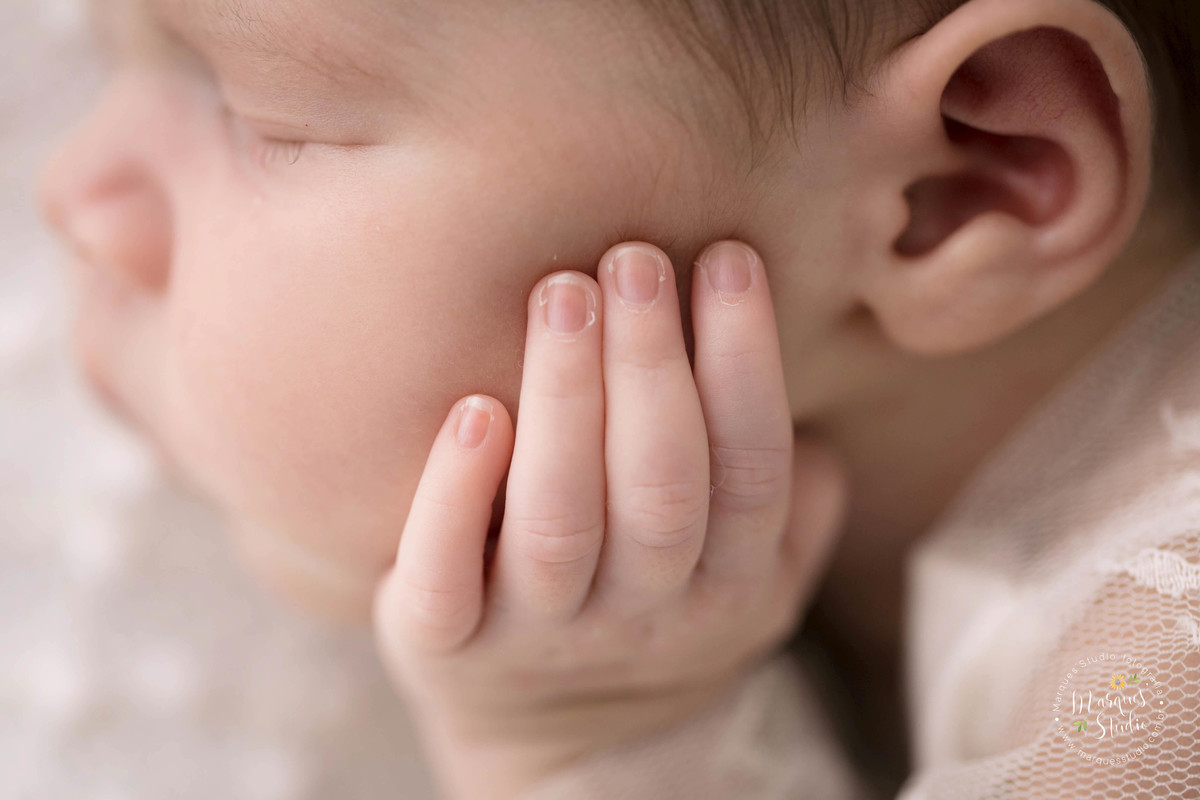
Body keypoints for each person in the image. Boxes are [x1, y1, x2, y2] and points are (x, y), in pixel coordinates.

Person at [36, 0, 1200, 797]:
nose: (73, 192)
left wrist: (614, 743)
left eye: (260, 113)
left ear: (963, 185)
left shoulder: (1158, 698)